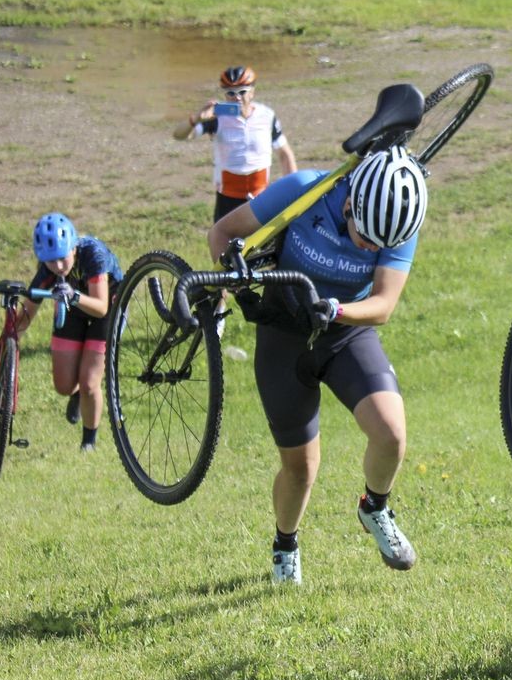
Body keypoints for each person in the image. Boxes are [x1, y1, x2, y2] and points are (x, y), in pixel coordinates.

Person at [207, 146, 429, 585]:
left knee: (391, 435)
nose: (369, 247)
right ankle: (285, 545)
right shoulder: (306, 189)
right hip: (283, 333)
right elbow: (222, 233)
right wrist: (230, 279)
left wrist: (337, 311)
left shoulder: (399, 219)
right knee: (302, 467)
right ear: (350, 201)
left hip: (344, 331)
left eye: (379, 245)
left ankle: (375, 507)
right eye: (363, 235)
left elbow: (383, 304)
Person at [174, 65, 298, 353]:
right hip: (228, 199)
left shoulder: (267, 116)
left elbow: (284, 153)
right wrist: (196, 118)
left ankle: (280, 312)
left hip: (261, 198)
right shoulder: (218, 118)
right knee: (223, 264)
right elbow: (178, 135)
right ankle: (217, 316)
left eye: (242, 92)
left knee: (275, 256)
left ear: (252, 91)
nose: (237, 98)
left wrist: (293, 188)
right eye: (230, 93)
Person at [17, 213, 123, 452]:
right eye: (50, 262)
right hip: (73, 306)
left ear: (73, 247)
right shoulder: (49, 268)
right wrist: (10, 339)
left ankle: (88, 442)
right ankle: (76, 397)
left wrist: (74, 296)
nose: (58, 267)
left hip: (107, 310)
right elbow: (27, 311)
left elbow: (100, 306)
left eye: (63, 259)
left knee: (88, 383)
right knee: (64, 386)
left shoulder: (93, 255)